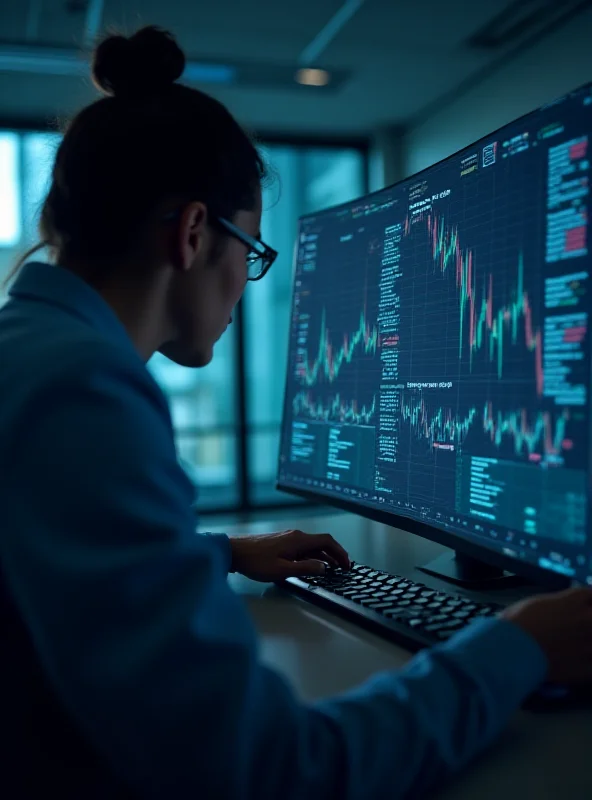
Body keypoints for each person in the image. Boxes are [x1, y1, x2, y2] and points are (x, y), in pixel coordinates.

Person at [1, 25, 591, 800]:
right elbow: (268, 772)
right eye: (251, 254)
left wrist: (210, 553)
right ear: (192, 233)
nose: (247, 285)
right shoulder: (84, 392)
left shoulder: (29, 350)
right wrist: (518, 650)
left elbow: (48, 557)